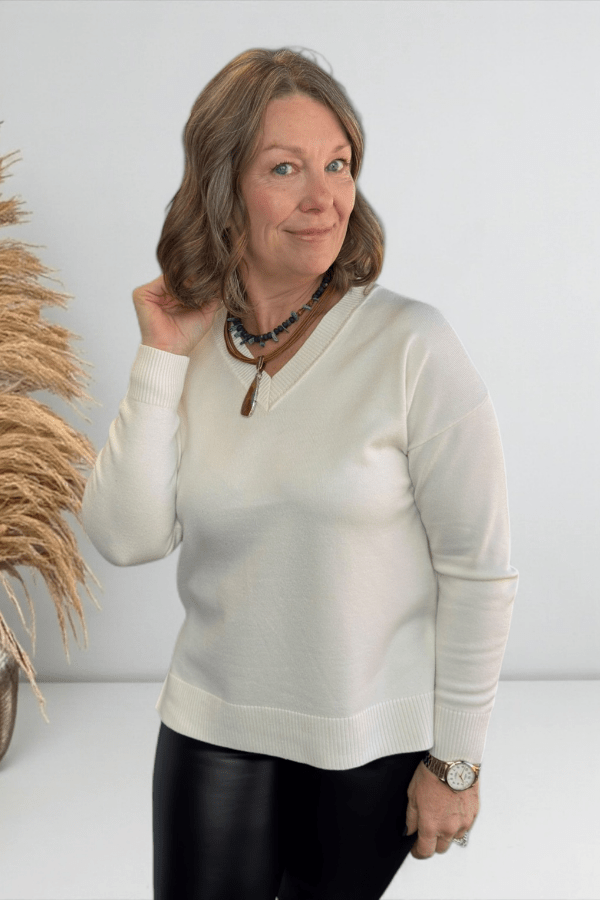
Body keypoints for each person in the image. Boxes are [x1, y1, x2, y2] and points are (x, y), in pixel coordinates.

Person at [81, 47, 519, 900]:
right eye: (286, 168)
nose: (324, 199)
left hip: (371, 748)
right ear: (222, 187)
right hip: (213, 727)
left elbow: (480, 568)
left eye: (339, 164)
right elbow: (127, 537)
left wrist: (456, 760)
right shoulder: (191, 346)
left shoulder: (412, 346)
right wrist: (161, 356)